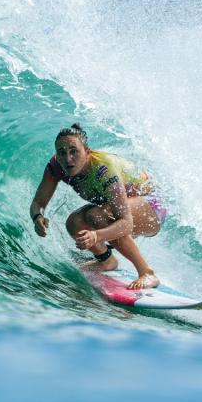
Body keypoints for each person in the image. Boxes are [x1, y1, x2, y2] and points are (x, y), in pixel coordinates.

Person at [29, 123, 167, 290]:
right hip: (122, 208)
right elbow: (38, 203)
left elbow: (126, 223)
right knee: (74, 222)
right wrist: (38, 217)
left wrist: (96, 236)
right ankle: (106, 260)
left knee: (97, 216)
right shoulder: (56, 166)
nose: (68, 159)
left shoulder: (103, 168)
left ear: (87, 152)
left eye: (74, 151)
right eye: (62, 153)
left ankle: (147, 272)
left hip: (152, 207)